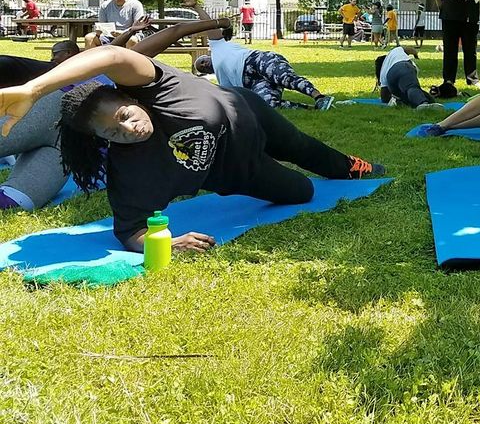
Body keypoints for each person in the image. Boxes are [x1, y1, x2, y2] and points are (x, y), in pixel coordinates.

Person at [0, 45, 384, 252]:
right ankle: (288, 172)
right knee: (303, 191)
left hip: (248, 113)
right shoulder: (131, 169)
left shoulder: (158, 87)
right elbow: (130, 231)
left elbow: (113, 56)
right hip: (240, 171)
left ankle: (350, 166)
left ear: (129, 96)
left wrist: (34, 89)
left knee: (302, 146)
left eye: (124, 115)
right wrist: (167, 240)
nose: (128, 130)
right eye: (112, 134)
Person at [0, 17, 234, 212]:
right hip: (55, 110)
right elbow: (173, 32)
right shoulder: (136, 74)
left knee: (16, 202)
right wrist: (216, 21)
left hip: (68, 149)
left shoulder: (181, 119)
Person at [187, 14, 334, 111]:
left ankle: (319, 97)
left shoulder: (217, 46)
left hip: (257, 61)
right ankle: (311, 109)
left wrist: (196, 6)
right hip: (253, 84)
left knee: (284, 77)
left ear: (207, 55)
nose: (205, 65)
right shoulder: (222, 81)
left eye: (203, 62)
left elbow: (209, 25)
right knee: (268, 105)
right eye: (203, 68)